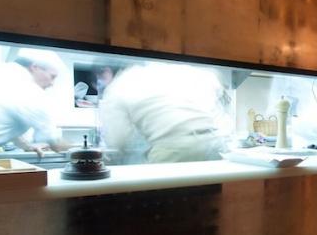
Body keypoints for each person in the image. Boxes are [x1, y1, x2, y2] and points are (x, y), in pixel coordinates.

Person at [98, 62, 229, 164]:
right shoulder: (171, 69)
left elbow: (118, 142)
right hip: (215, 146)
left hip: (176, 151)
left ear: (106, 72)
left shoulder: (116, 88)